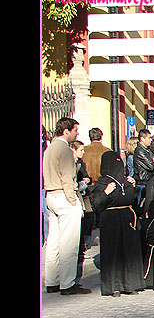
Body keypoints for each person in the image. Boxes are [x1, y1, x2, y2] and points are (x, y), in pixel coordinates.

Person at [43, 117, 90, 295]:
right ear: (66, 131)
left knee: (53, 241)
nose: (77, 133)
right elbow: (67, 178)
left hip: (51, 194)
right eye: (75, 130)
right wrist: (73, 201)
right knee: (69, 242)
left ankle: (52, 281)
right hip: (63, 196)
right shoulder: (64, 149)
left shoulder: (49, 148)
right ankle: (67, 283)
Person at [90, 151, 145, 296]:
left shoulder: (125, 181)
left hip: (127, 219)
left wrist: (133, 188)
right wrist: (106, 193)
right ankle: (114, 286)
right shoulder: (102, 183)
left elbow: (131, 200)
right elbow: (96, 204)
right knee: (113, 253)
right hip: (111, 220)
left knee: (128, 252)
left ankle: (130, 284)